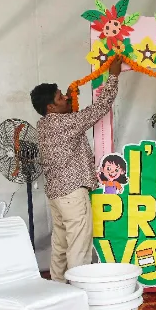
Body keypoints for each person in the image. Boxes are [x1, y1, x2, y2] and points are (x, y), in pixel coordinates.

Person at [30, 56, 122, 283]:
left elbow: (72, 114)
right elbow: (101, 107)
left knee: (60, 247)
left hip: (56, 196)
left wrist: (72, 99)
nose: (66, 99)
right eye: (61, 98)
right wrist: (113, 75)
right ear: (50, 107)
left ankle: (58, 291)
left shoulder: (43, 125)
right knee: (78, 248)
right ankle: (79, 296)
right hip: (72, 194)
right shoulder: (64, 123)